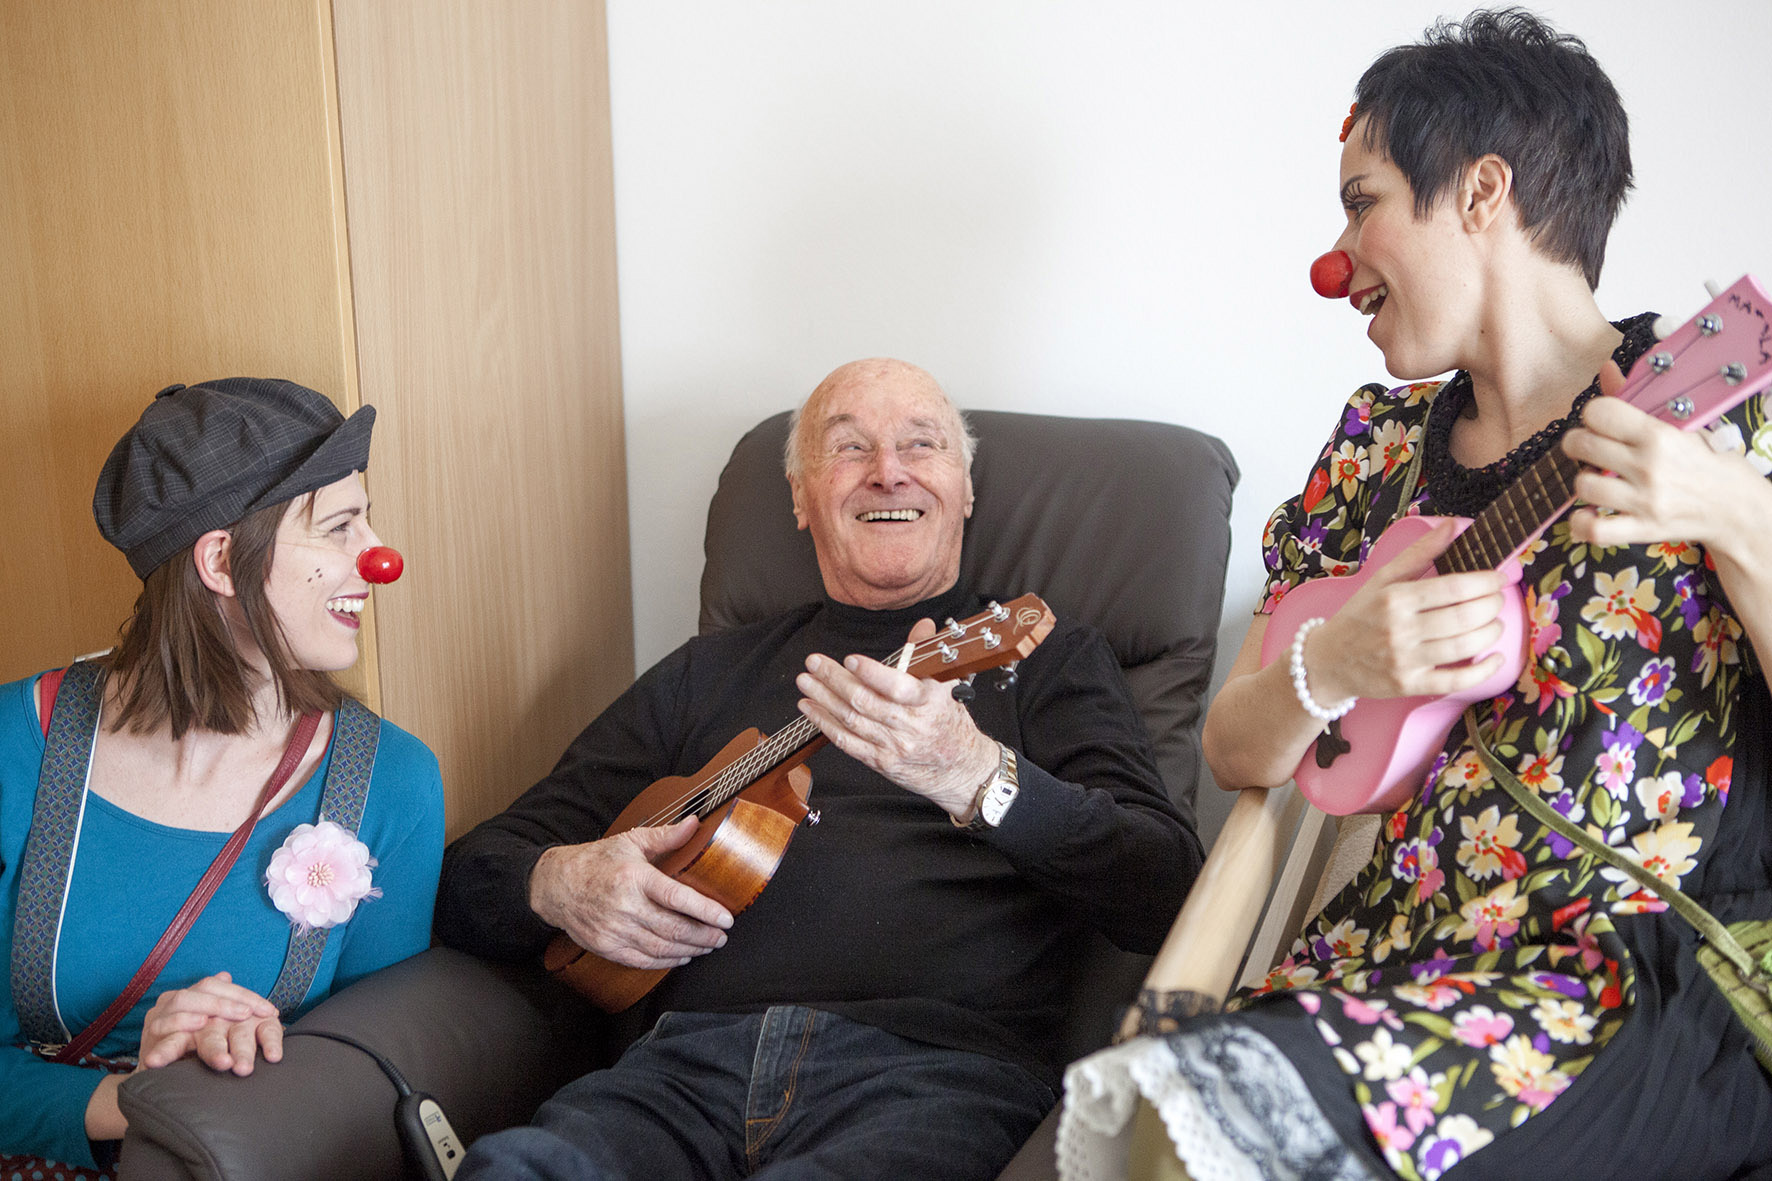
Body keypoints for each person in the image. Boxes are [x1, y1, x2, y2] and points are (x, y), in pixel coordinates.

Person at [1059, 10, 1772, 1181]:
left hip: (1630, 987)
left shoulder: (1721, 410)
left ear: (1481, 190)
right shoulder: (1371, 446)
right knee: (1173, 1104)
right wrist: (1335, 661)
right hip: (1389, 965)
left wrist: (1735, 515)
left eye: (1361, 202)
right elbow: (1233, 745)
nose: (1336, 261)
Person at [436, 357, 1202, 1179]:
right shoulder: (703, 672)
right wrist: (560, 883)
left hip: (938, 1080)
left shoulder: (1047, 655)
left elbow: (1164, 886)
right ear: (801, 499)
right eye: (849, 447)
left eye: (921, 443)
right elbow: (470, 873)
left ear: (966, 489)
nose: (889, 471)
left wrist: (974, 772)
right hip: (679, 1076)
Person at [0, 378, 446, 1177]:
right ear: (220, 561)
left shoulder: (394, 781)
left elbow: (377, 1068)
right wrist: (138, 1100)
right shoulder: (12, 745)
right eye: (340, 527)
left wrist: (218, 1088)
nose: (379, 560)